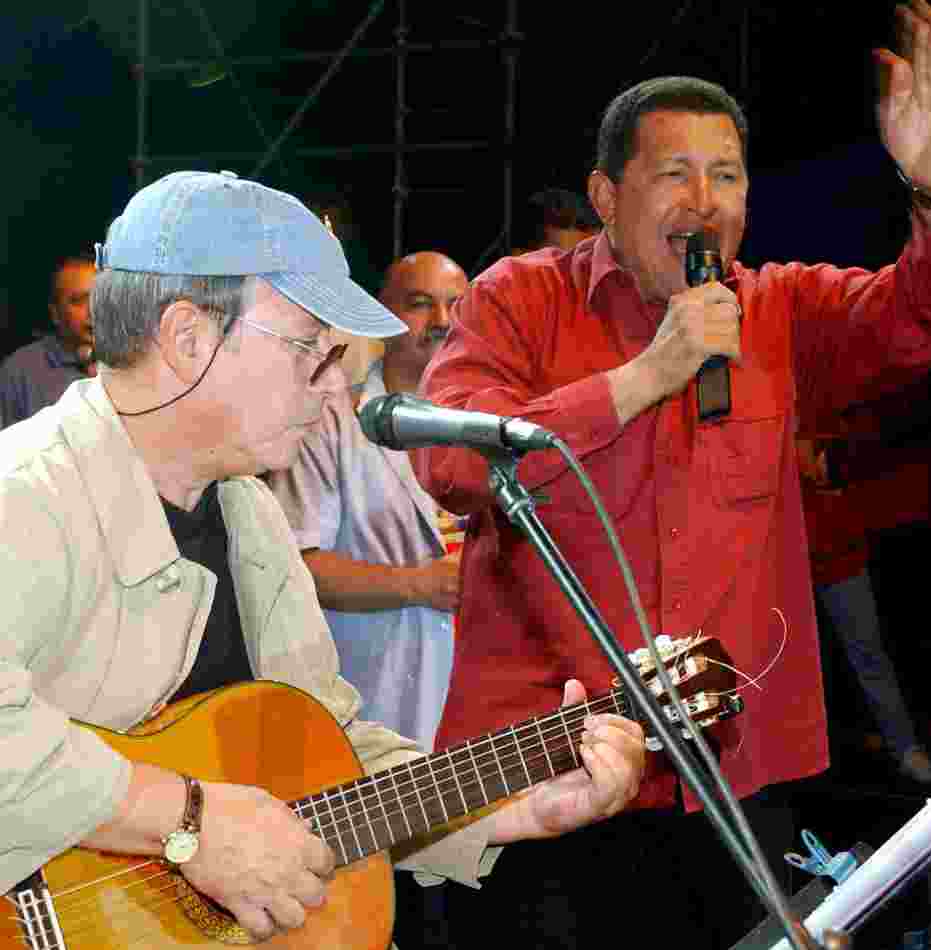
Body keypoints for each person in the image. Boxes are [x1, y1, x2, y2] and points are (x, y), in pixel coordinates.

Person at [412, 3, 931, 948]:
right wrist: (645, 378)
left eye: (726, 176)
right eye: (674, 173)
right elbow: (450, 461)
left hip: (732, 771)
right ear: (604, 197)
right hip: (548, 771)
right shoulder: (518, 298)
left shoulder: (780, 310)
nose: (704, 200)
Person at [0, 170, 645, 945]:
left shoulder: (251, 518)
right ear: (186, 339)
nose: (336, 379)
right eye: (310, 345)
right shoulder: (26, 497)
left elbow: (330, 761)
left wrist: (517, 805)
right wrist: (191, 823)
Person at [268, 250, 469, 752]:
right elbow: (296, 569)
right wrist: (419, 584)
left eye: (456, 305)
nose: (442, 321)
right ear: (383, 316)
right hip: (374, 681)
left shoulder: (492, 420)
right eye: (421, 304)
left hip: (477, 687)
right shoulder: (329, 419)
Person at [796, 433, 931, 784]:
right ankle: (805, 765)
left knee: (869, 654)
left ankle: (904, 746)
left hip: (835, 550)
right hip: (784, 560)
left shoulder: (814, 404)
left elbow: (828, 467)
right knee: (799, 670)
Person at [0, 252, 96, 427]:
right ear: (55, 313)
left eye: (99, 297)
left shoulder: (134, 359)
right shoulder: (20, 370)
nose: (93, 310)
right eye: (78, 301)